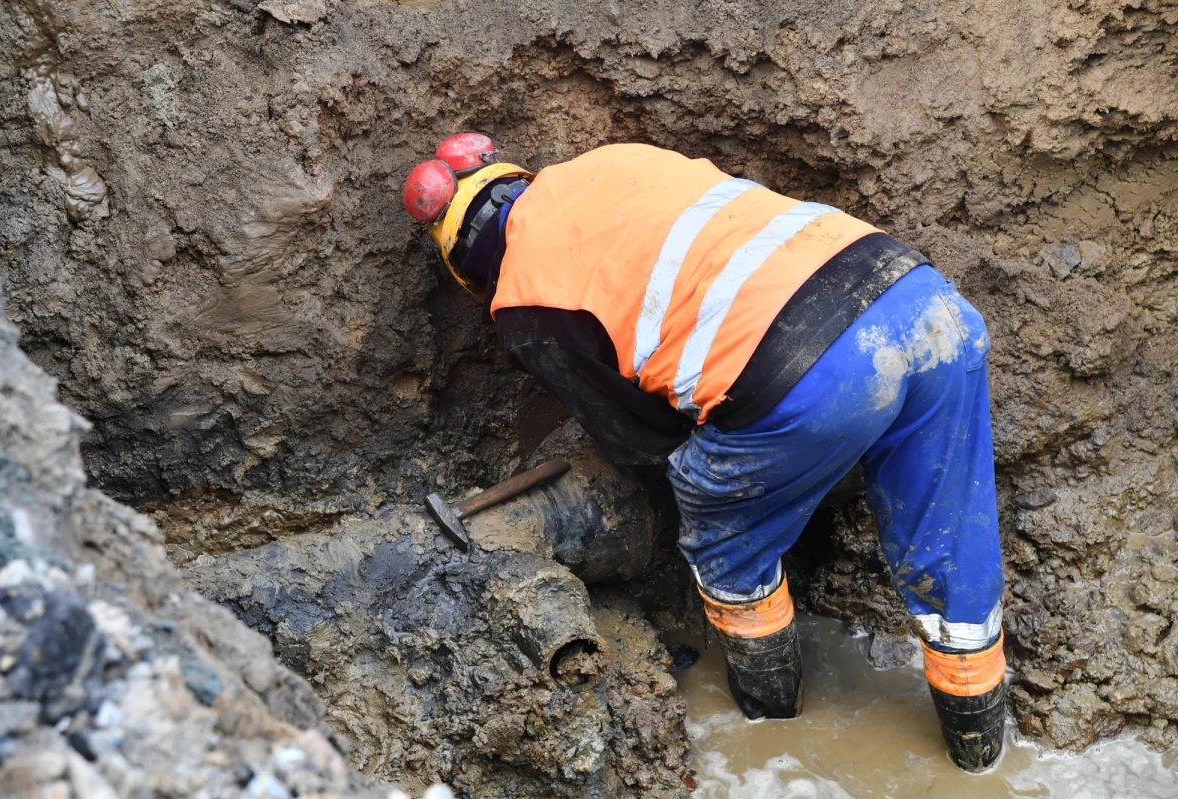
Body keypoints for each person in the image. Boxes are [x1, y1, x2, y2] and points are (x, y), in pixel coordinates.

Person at [401, 134, 1007, 772]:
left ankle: (776, 746)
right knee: (949, 534)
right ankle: (979, 758)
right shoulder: (611, 159)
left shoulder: (524, 303)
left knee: (722, 538)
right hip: (922, 299)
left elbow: (646, 441)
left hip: (811, 373)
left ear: (471, 265)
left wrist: (720, 493)